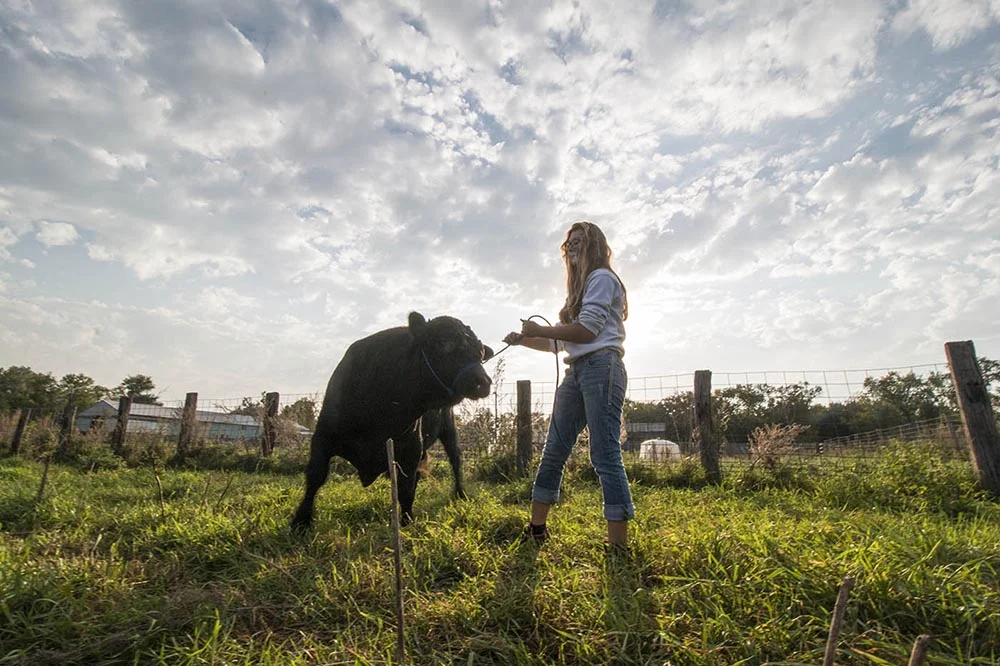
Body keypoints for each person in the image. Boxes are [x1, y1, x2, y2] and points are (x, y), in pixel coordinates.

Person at [503, 221, 634, 548]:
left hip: (602, 367)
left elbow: (587, 332)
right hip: (577, 371)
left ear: (595, 245)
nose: (572, 247)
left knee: (604, 454)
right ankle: (536, 529)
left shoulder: (602, 278)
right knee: (554, 450)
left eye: (580, 241)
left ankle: (617, 546)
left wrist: (543, 330)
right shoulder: (581, 288)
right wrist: (525, 339)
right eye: (569, 243)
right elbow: (560, 344)